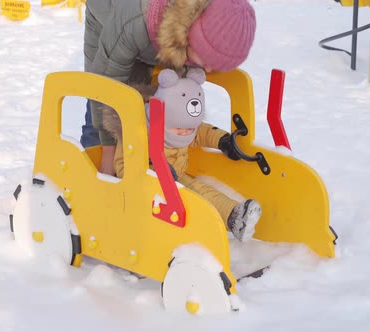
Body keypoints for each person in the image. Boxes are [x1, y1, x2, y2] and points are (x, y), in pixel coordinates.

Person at [80, 0, 257, 175]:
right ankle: (91, 175)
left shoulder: (203, 22)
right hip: (110, 23)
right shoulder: (133, 22)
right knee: (106, 110)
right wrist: (107, 152)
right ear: (192, 34)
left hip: (156, 38)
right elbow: (105, 85)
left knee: (151, 102)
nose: (209, 69)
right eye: (206, 58)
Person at [108, 68, 261, 241]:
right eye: (179, 129)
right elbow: (122, 166)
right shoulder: (137, 132)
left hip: (177, 177)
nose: (183, 133)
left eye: (189, 129)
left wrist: (223, 140)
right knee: (191, 198)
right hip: (150, 190)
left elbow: (202, 132)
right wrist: (155, 174)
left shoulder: (184, 125)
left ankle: (235, 217)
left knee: (202, 191)